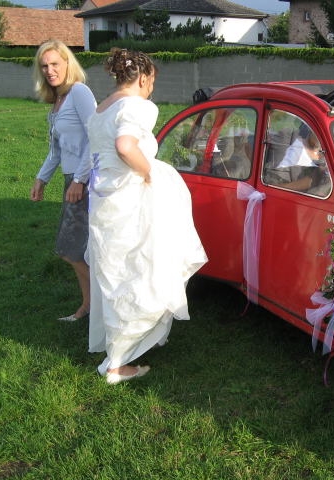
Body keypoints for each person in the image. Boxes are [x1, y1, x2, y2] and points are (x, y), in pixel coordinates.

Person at [86, 48, 207, 385]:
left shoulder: (100, 109)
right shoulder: (138, 106)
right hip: (131, 201)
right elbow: (126, 146)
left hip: (104, 201)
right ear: (142, 78)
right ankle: (117, 364)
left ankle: (118, 349)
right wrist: (149, 172)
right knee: (141, 271)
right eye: (152, 82)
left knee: (117, 273)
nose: (152, 88)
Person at [30, 40, 96, 322]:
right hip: (72, 180)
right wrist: (41, 178)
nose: (49, 70)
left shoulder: (79, 92)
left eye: (55, 63)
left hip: (86, 180)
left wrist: (79, 180)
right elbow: (56, 150)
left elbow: (96, 137)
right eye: (44, 66)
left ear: (68, 64)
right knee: (76, 249)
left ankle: (101, 304)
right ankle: (90, 306)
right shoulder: (57, 101)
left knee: (70, 249)